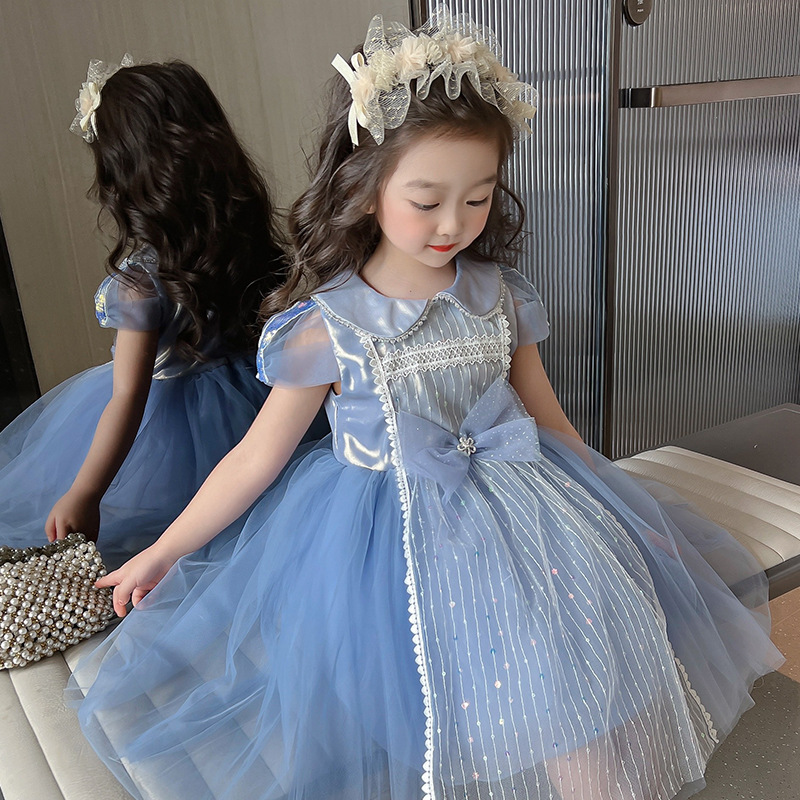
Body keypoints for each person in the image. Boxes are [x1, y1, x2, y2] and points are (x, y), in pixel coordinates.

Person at [70, 10, 782, 800]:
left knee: (574, 695)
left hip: (525, 525)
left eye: (477, 199)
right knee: (447, 713)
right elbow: (254, 460)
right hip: (387, 543)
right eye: (427, 200)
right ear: (365, 190)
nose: (454, 225)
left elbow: (549, 422)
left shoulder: (501, 295)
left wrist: (622, 504)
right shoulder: (327, 327)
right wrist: (164, 550)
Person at [0, 57, 288, 570]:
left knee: (164, 538)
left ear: (125, 174)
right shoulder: (246, 239)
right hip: (254, 402)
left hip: (173, 426)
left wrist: (86, 492)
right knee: (248, 529)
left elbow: (128, 397)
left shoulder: (141, 283)